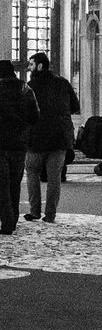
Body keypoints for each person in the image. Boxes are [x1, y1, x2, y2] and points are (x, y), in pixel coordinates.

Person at [24, 51, 80, 224]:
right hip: (59, 138)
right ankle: (50, 215)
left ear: (40, 66)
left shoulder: (31, 86)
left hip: (37, 138)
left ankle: (34, 212)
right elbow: (75, 106)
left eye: (31, 64)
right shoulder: (62, 82)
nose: (29, 68)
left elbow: (26, 111)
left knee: (32, 172)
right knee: (54, 177)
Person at [0, 60, 39, 235]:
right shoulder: (25, 89)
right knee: (14, 182)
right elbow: (34, 116)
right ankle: (13, 218)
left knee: (2, 184)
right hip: (19, 143)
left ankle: (7, 221)